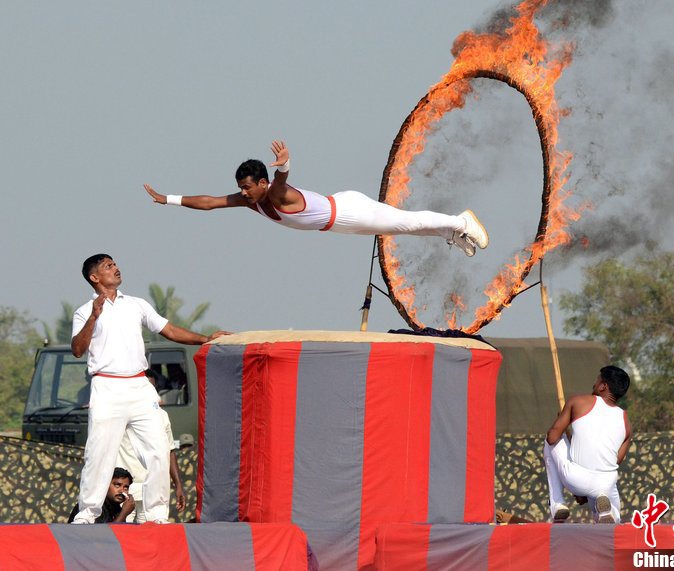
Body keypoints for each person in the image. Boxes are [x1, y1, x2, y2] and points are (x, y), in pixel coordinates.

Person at [70, 254, 229, 524]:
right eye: (108, 266)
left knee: (157, 448)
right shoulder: (85, 311)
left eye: (115, 264)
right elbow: (77, 349)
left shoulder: (136, 305)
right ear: (94, 278)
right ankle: (86, 515)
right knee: (100, 454)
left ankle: (156, 516)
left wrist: (204, 339)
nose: (116, 268)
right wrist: (94, 318)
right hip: (107, 386)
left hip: (140, 385)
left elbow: (169, 330)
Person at [143, 140, 489, 257]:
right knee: (403, 229)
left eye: (248, 187)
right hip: (339, 220)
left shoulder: (275, 194)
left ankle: (461, 222)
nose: (243, 193)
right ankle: (450, 233)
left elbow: (282, 179)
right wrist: (167, 199)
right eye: (241, 188)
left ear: (261, 182)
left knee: (406, 220)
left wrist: (286, 164)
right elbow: (210, 202)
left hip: (349, 213)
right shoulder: (251, 200)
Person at [543, 366, 632, 523]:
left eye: (597, 381)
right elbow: (615, 460)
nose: (594, 384)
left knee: (550, 441)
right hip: (606, 483)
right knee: (613, 514)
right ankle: (607, 511)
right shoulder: (625, 420)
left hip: (576, 478)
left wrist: (561, 421)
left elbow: (552, 437)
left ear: (603, 386)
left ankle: (558, 504)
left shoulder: (577, 402)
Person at [116, 369, 185, 523]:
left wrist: (178, 484)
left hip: (152, 493)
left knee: (149, 539)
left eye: (151, 388)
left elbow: (170, 451)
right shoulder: (121, 414)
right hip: (125, 490)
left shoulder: (162, 416)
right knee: (121, 536)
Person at [68, 467, 136, 524]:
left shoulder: (116, 507)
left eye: (126, 487)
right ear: (105, 485)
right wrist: (123, 513)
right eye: (117, 485)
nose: (122, 491)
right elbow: (105, 536)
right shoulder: (94, 505)